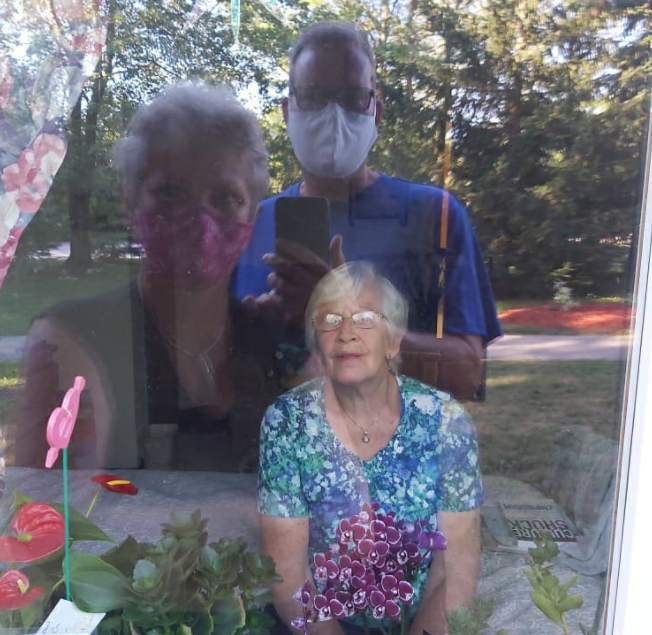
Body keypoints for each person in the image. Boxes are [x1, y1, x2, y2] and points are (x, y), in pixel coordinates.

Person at [15, 81, 283, 471]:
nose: (199, 219)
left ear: (252, 220)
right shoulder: (70, 340)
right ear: (130, 203)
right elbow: (50, 517)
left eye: (225, 197)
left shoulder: (274, 346)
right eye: (172, 193)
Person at [234, 20, 502, 402]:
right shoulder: (248, 225)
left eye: (351, 96)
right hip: (277, 457)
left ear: (375, 112)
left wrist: (342, 315)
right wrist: (255, 335)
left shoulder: (434, 216)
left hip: (399, 459)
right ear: (287, 111)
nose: (332, 114)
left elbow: (467, 375)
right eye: (312, 96)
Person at [258, 262, 483, 635]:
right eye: (330, 319)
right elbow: (287, 570)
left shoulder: (445, 422)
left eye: (364, 318)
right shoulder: (286, 423)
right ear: (317, 340)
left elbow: (456, 567)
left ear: (393, 340)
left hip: (419, 622)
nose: (346, 333)